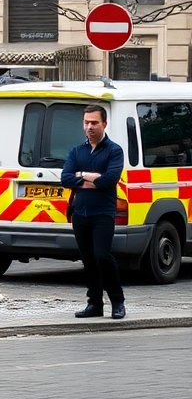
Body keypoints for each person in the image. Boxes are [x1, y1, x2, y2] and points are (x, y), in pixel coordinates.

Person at [61, 104, 126, 319]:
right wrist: (91, 177)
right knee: (88, 259)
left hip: (103, 213)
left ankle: (117, 301)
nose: (90, 127)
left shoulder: (114, 150)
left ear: (104, 124)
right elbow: (65, 179)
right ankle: (94, 303)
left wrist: (81, 176)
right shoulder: (77, 150)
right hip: (80, 212)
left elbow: (109, 180)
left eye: (94, 123)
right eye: (86, 122)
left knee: (102, 256)